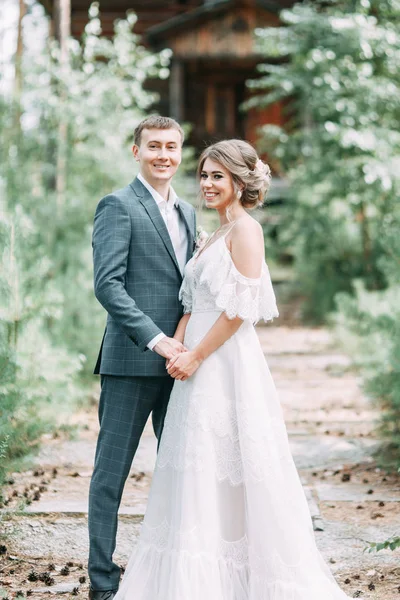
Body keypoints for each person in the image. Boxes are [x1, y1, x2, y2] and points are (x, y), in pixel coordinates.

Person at [113, 139, 351, 599]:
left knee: (234, 463)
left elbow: (238, 309)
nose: (206, 183)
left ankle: (244, 576)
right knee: (194, 467)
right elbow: (192, 302)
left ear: (241, 182)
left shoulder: (246, 231)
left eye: (217, 176)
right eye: (203, 174)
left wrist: (198, 355)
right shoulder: (214, 234)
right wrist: (177, 349)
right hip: (194, 361)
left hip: (225, 362)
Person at [88, 116, 196, 600]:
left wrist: (184, 344)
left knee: (183, 473)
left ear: (180, 152)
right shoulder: (117, 205)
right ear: (136, 151)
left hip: (182, 368)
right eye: (154, 146)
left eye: (171, 147)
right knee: (110, 477)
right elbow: (107, 285)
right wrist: (157, 340)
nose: (163, 155)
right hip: (132, 363)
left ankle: (174, 576)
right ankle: (102, 584)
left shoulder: (190, 212)